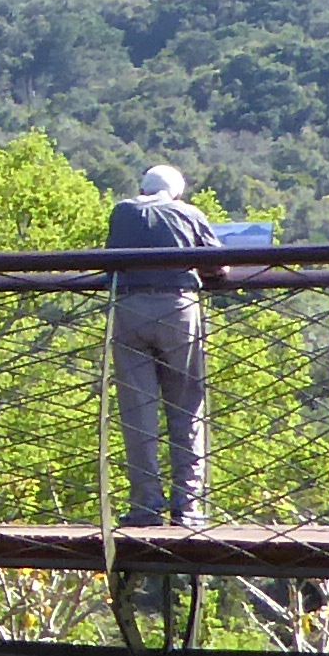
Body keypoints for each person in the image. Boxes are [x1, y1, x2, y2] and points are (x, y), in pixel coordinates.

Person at [102, 160, 221, 526]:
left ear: (142, 189)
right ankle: (188, 508)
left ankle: (145, 506)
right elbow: (218, 265)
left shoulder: (122, 212)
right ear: (177, 193)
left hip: (128, 309)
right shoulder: (188, 213)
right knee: (187, 408)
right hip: (177, 309)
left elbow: (109, 262)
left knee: (137, 413)